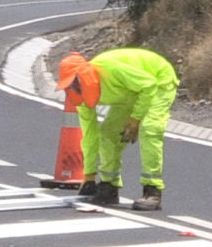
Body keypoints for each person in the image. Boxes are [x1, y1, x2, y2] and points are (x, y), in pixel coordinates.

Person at [55, 48, 179, 211]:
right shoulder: (80, 97)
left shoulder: (110, 69)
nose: (74, 87)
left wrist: (135, 119)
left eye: (76, 81)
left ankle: (152, 190)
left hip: (158, 81)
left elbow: (149, 85)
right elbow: (90, 135)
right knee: (107, 134)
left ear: (84, 74)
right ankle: (109, 187)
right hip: (130, 92)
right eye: (70, 84)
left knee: (149, 129)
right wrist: (89, 176)